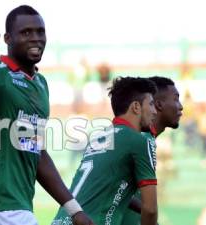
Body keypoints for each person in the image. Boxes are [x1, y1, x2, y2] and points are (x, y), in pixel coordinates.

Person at [0, 5, 93, 225]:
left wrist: (74, 210)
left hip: (16, 207)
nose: (36, 38)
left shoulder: (40, 84)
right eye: (26, 32)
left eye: (40, 32)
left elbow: (36, 152)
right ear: (8, 38)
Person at [52, 77, 158, 225]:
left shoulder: (98, 138)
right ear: (136, 107)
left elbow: (105, 188)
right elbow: (151, 209)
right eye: (151, 104)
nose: (154, 111)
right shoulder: (139, 141)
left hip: (61, 220)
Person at [120, 76, 183, 225]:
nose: (180, 106)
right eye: (175, 99)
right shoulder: (141, 140)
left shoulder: (141, 137)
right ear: (159, 105)